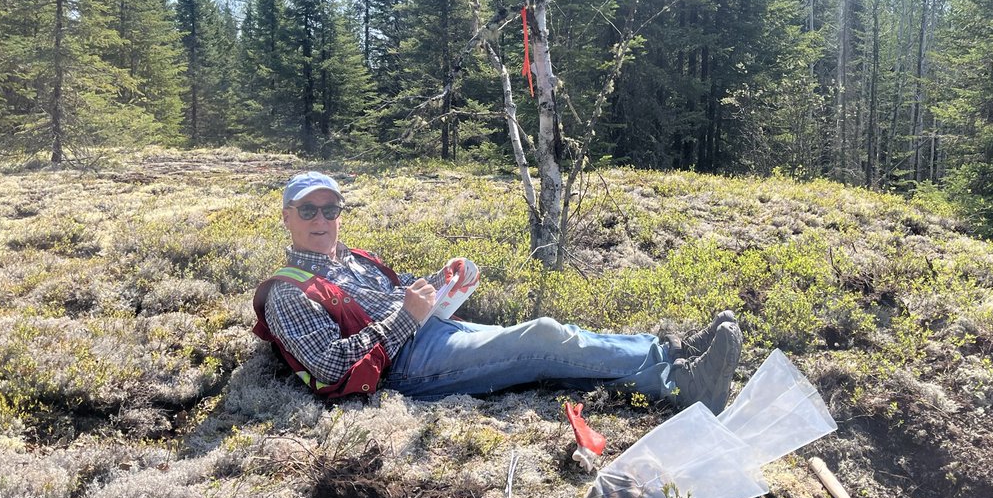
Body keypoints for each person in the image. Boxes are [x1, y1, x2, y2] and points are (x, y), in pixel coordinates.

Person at [253, 171, 742, 411]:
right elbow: (332, 366)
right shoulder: (287, 294)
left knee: (551, 343)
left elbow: (401, 295)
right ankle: (681, 384)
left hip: (432, 334)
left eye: (330, 209)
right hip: (406, 369)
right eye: (309, 211)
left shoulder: (353, 258)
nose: (322, 220)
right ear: (287, 217)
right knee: (543, 339)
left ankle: (669, 353)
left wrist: (441, 283)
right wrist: (408, 316)